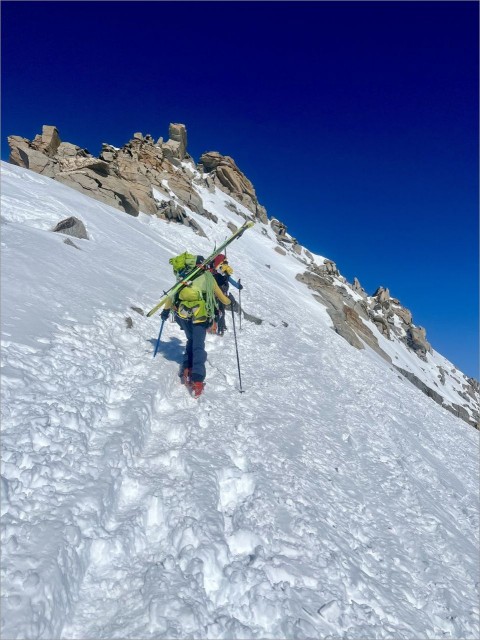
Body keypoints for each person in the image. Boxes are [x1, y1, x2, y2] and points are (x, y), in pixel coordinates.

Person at [160, 257, 236, 398]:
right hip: (199, 316)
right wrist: (230, 301)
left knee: (191, 340)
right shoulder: (208, 277)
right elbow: (222, 298)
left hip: (183, 315)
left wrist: (165, 312)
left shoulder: (184, 277)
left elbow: (171, 295)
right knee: (198, 346)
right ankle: (197, 379)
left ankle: (186, 367)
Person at [209, 254, 243, 336]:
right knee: (221, 311)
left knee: (216, 310)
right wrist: (238, 286)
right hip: (222, 295)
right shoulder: (224, 273)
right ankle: (221, 328)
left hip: (214, 294)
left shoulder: (212, 272)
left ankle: (217, 326)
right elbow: (231, 281)